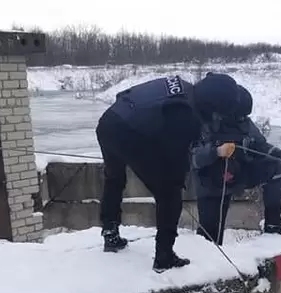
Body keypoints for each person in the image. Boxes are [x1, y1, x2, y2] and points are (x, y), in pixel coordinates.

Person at [96, 73, 241, 272]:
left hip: (109, 121)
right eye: (219, 111)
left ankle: (110, 231)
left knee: (114, 178)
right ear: (213, 104)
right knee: (170, 193)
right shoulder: (186, 114)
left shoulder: (182, 87)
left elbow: (130, 98)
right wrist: (178, 179)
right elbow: (176, 157)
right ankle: (164, 256)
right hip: (128, 132)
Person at [191, 85, 281, 245]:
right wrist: (216, 152)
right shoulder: (204, 122)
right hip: (211, 182)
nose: (242, 119)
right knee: (210, 237)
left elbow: (262, 147)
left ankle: (274, 223)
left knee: (275, 167)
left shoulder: (244, 122)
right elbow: (192, 158)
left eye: (244, 116)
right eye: (239, 115)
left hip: (239, 172)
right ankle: (208, 262)